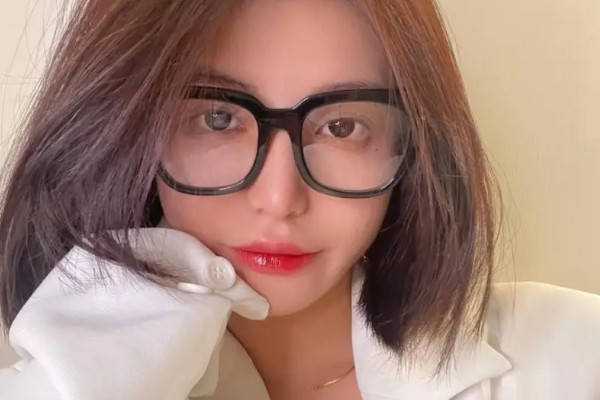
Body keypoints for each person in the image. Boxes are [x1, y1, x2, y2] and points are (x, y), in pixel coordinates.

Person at [0, 0, 598, 399]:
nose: (280, 198)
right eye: (217, 118)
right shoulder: (56, 382)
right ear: (125, 131)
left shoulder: (573, 354)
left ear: (415, 145)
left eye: (341, 127)